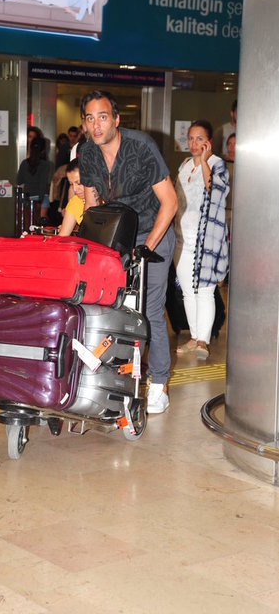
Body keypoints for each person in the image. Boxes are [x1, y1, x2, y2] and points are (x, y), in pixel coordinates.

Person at [79, 90, 178, 414]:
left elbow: (170, 202)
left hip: (154, 232)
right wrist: (95, 249)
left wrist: (146, 248)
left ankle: (159, 383)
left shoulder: (141, 147)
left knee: (149, 309)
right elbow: (92, 205)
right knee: (113, 304)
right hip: (119, 234)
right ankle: (115, 374)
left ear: (116, 119)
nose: (97, 125)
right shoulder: (87, 153)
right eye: (90, 118)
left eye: (103, 117)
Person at [174, 120, 229, 359]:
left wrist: (204, 162)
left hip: (206, 240)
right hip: (182, 239)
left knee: (205, 290)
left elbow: (214, 192)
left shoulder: (217, 164)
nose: (194, 143)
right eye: (191, 138)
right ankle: (194, 336)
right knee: (188, 292)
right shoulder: (184, 165)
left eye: (199, 139)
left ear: (209, 142)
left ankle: (203, 341)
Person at [17, 136, 52, 220]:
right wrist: (40, 200)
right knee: (40, 223)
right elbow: (43, 184)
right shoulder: (45, 165)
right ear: (43, 150)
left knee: (27, 222)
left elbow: (19, 181)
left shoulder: (24, 163)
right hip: (41, 199)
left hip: (27, 198)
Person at [57, 159, 85, 236]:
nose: (75, 189)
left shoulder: (108, 199)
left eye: (79, 183)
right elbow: (62, 236)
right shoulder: (75, 202)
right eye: (71, 184)